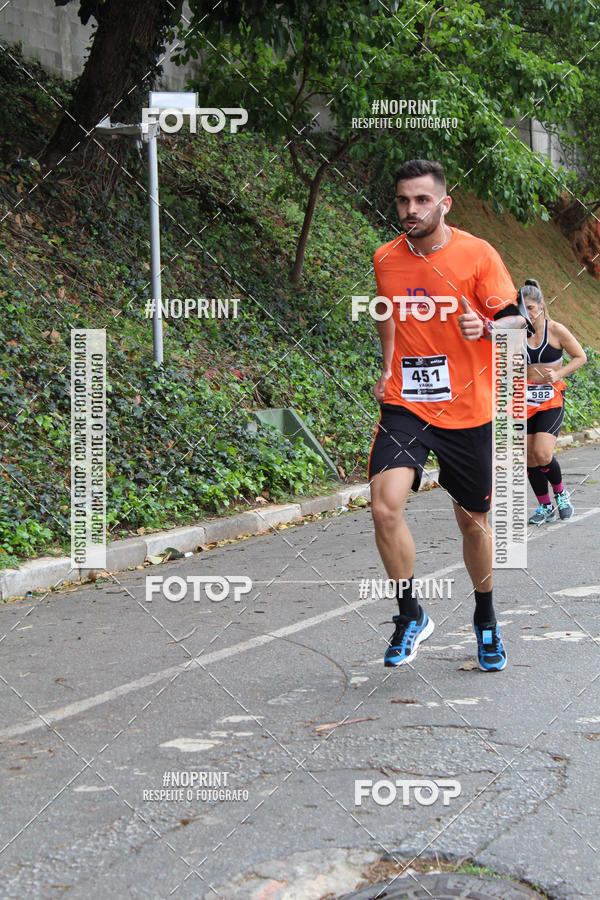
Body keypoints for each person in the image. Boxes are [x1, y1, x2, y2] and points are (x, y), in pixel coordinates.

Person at [368, 158, 532, 673]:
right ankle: (409, 613)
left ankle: (485, 618)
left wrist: (484, 327)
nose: (411, 209)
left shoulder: (477, 254)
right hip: (407, 404)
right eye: (403, 200)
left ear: (444, 203)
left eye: (421, 200)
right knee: (384, 505)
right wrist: (386, 367)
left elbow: (517, 327)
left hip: (469, 409)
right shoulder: (386, 258)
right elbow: (390, 315)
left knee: (473, 523)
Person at [523, 278, 587, 524]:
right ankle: (544, 506)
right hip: (524, 401)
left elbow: (580, 356)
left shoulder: (556, 330)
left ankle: (561, 494)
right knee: (529, 456)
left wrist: (558, 374)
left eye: (530, 307)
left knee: (542, 452)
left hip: (551, 399)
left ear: (541, 305)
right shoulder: (516, 332)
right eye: (522, 308)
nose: (526, 312)